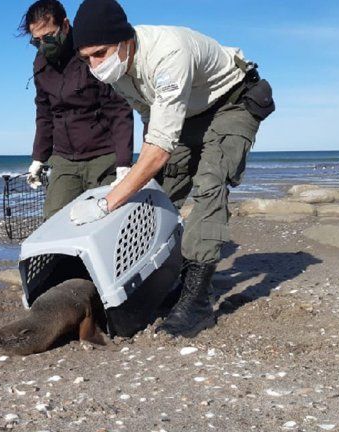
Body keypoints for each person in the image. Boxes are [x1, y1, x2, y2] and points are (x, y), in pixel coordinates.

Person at [69, 0, 275, 337]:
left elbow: (159, 149)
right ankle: (157, 279)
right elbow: (151, 119)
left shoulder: (167, 54)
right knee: (159, 191)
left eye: (100, 53)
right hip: (188, 113)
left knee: (210, 184)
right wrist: (135, 178)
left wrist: (108, 202)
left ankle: (196, 300)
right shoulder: (116, 71)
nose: (95, 66)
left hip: (231, 101)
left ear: (125, 40)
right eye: (87, 58)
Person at [21, 0, 134, 219]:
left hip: (103, 154)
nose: (44, 45)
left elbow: (118, 108)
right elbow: (44, 114)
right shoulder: (40, 64)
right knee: (54, 219)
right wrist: (38, 158)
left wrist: (123, 163)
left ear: (65, 25)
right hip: (64, 157)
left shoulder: (89, 52)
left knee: (106, 218)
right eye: (37, 41)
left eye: (49, 37)